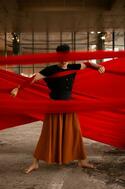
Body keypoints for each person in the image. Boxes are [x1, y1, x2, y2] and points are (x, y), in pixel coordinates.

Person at [11, 44, 105, 173]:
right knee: (47, 134)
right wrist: (18, 88)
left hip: (69, 106)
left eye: (66, 57)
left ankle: (83, 161)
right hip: (54, 106)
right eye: (61, 57)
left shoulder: (73, 67)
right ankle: (35, 163)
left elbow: (87, 64)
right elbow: (33, 79)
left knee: (75, 133)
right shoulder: (50, 70)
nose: (64, 60)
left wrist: (98, 66)